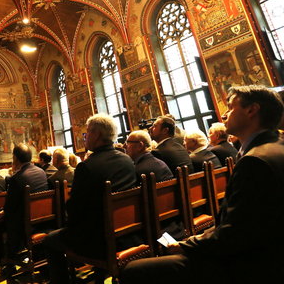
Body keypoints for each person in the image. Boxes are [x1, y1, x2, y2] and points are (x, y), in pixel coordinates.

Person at [120, 85, 284, 283]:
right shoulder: (274, 147)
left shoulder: (255, 161)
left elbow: (233, 235)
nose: (224, 114)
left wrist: (186, 245)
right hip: (263, 249)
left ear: (252, 110)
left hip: (252, 263)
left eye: (231, 107)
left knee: (133, 270)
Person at [43, 113, 136, 284]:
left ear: (97, 134)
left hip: (99, 240)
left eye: (86, 134)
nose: (84, 138)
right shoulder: (127, 160)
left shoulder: (87, 166)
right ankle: (99, 274)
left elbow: (74, 208)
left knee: (50, 240)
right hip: (129, 232)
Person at [0, 144, 48, 275]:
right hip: (43, 221)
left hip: (26, 225)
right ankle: (3, 257)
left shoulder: (17, 178)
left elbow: (10, 207)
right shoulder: (41, 172)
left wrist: (3, 211)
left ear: (15, 158)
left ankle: (6, 260)